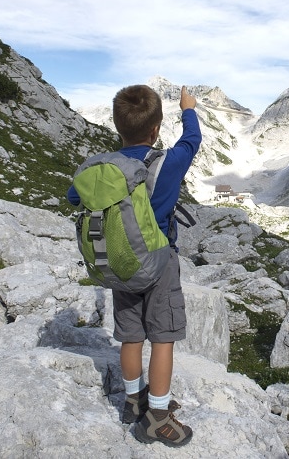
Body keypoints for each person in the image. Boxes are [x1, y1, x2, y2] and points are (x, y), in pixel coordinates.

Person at [67, 84, 201, 447]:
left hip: (121, 264)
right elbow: (192, 142)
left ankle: (133, 402)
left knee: (130, 335)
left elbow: (73, 195)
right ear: (155, 130)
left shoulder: (99, 167)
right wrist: (188, 108)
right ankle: (158, 418)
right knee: (162, 338)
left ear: (116, 127)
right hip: (159, 263)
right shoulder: (164, 164)